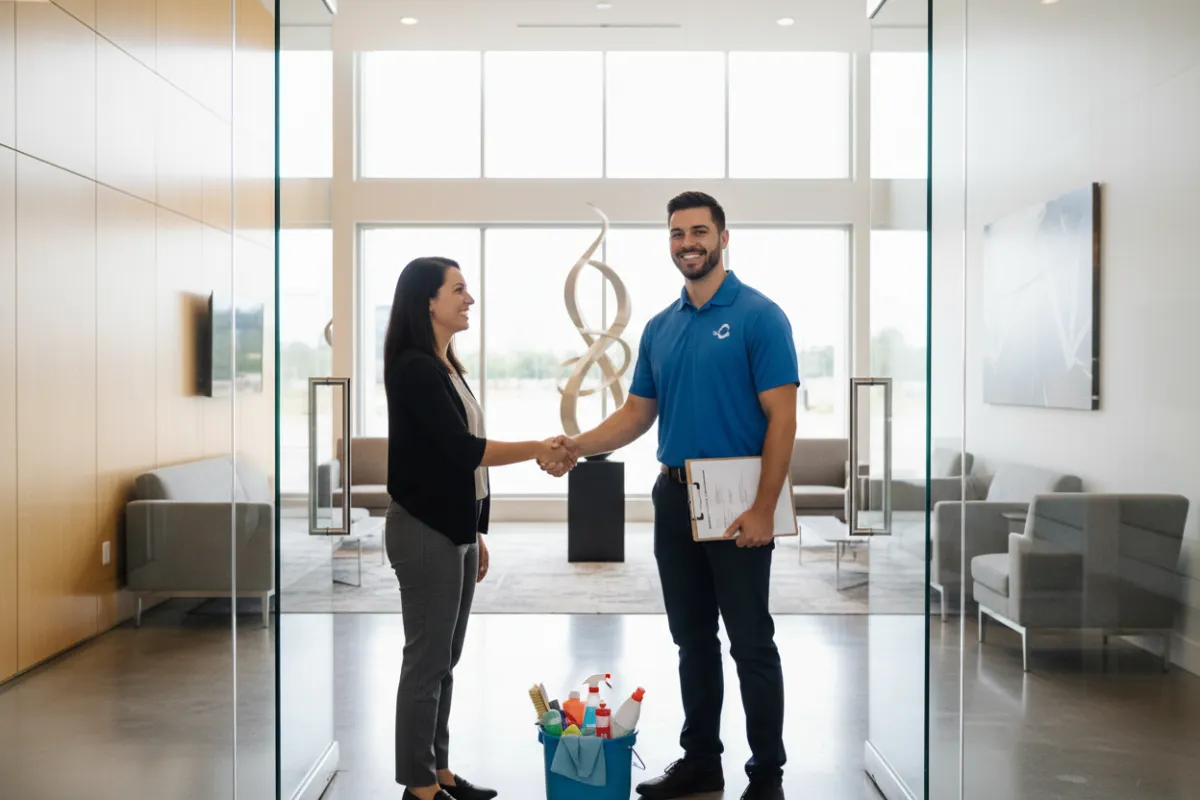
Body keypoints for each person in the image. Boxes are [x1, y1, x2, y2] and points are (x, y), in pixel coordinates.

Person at [542, 192, 797, 800]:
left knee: (751, 641)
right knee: (692, 640)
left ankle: (766, 776)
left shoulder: (761, 316)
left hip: (738, 500)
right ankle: (701, 762)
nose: (689, 243)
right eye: (678, 233)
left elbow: (782, 420)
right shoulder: (661, 327)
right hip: (673, 496)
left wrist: (764, 507)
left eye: (700, 231)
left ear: (724, 237)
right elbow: (636, 416)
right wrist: (575, 445)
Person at [383, 256, 576, 800]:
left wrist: (476, 531)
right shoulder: (415, 368)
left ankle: (439, 771)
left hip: (453, 529)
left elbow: (454, 465)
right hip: (424, 532)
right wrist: (541, 446)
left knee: (445, 660)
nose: (469, 299)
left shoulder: (447, 368)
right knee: (426, 661)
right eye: (459, 290)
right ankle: (419, 788)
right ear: (428, 301)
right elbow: (463, 451)